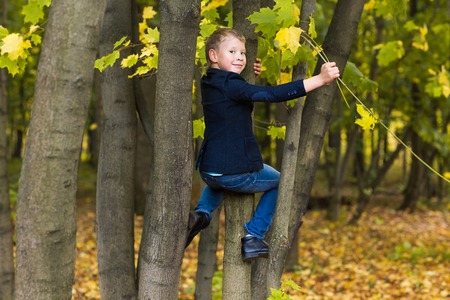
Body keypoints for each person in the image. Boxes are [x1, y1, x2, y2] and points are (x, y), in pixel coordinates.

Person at [185, 28, 339, 262]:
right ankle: (253, 236)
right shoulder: (232, 85)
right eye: (232, 51)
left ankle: (201, 215)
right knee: (280, 180)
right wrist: (319, 79)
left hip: (209, 170)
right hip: (234, 171)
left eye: (243, 53)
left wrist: (248, 71)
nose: (240, 57)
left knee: (220, 181)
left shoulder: (209, 81)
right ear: (213, 55)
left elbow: (237, 91)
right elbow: (270, 94)